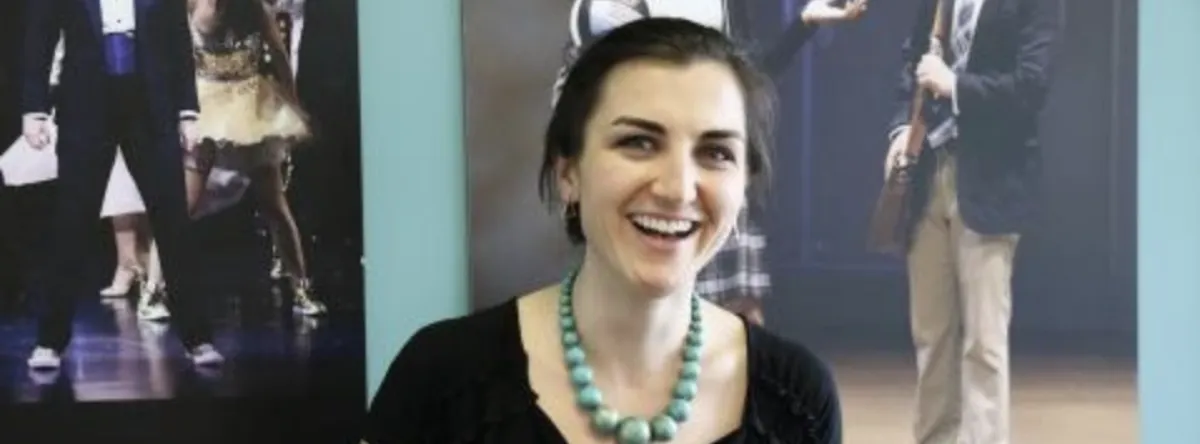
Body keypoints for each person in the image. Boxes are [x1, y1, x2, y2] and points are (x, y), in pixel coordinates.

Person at [363, 18, 842, 444]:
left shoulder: (797, 398)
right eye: (638, 142)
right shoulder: (442, 377)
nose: (677, 189)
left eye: (716, 152)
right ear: (568, 171)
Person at [552, 0, 867, 325]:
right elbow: (591, 92)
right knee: (645, 309)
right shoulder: (602, 10)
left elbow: (748, 79)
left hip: (705, 161)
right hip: (638, 164)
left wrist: (804, 23)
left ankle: (746, 373)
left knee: (740, 308)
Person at [884, 0, 1060, 442]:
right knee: (932, 338)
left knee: (983, 344)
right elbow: (913, 61)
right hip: (929, 171)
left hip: (991, 179)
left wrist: (955, 86)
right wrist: (900, 129)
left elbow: (1031, 87)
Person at [20, 0, 224, 369]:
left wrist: (187, 110)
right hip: (86, 105)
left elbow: (177, 41)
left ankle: (198, 338)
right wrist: (33, 109)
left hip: (150, 106)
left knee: (173, 221)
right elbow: (40, 36)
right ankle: (49, 341)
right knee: (71, 222)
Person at [184, 0, 326, 316]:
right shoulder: (189, 4)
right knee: (183, 205)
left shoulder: (252, 8)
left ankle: (301, 286)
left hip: (248, 103)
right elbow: (173, 55)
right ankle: (156, 289)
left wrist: (293, 105)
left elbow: (279, 56)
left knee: (274, 204)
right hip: (206, 103)